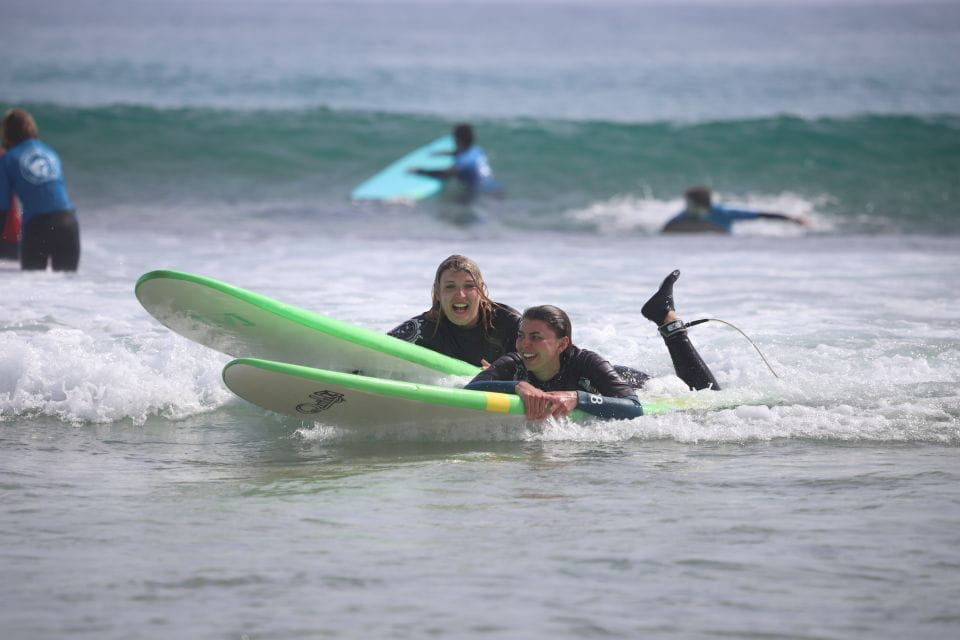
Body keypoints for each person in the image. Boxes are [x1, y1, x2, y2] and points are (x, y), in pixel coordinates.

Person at [465, 270, 719, 421]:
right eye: (521, 336)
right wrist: (518, 386)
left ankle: (667, 320)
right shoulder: (515, 362)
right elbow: (471, 389)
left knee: (709, 398)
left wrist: (578, 398)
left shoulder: (587, 362)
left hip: (632, 383)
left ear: (562, 343)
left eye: (536, 337)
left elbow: (634, 407)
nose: (524, 345)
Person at [388, 254, 521, 368]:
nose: (460, 294)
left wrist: (501, 374)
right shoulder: (421, 329)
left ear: (480, 290)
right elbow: (380, 350)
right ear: (438, 293)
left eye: (469, 286)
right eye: (450, 286)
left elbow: (533, 368)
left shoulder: (510, 324)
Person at [0, 108, 80, 271]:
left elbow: (3, 207)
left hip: (37, 226)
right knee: (68, 283)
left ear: (7, 132)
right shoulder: (51, 153)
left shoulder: (8, 158)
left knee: (33, 284)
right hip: (68, 222)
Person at [662, 185, 810, 234]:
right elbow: (666, 229)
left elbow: (760, 215)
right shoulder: (685, 215)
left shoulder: (724, 212)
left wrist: (792, 219)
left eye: (689, 204)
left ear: (700, 204)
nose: (686, 207)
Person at [410, 123, 502, 199]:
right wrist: (444, 153)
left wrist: (419, 171)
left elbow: (444, 175)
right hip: (496, 188)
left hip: (482, 193)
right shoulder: (478, 150)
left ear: (457, 139)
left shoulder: (463, 162)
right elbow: (460, 153)